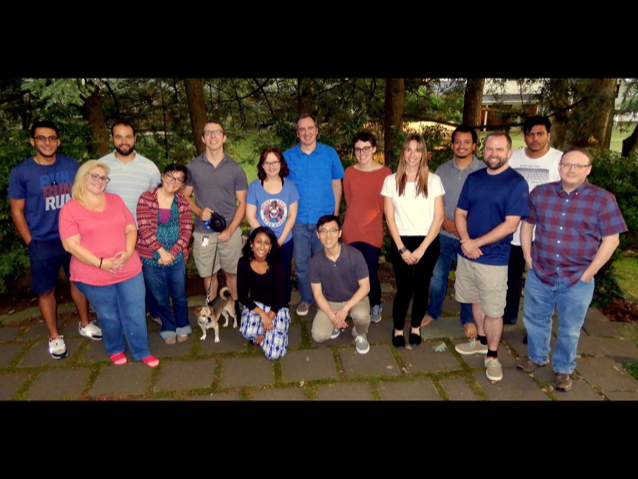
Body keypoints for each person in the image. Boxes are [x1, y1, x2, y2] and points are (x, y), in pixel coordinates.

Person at [516, 148, 626, 392]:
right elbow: (527, 224)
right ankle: (536, 356)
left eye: (578, 165)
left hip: (577, 278)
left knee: (570, 328)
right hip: (541, 272)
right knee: (534, 320)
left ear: (588, 170)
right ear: (560, 166)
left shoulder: (602, 199)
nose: (571, 169)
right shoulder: (541, 193)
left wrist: (590, 272)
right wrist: (527, 256)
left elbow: (612, 240)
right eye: (567, 164)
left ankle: (564, 368)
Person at [9, 120, 102, 360]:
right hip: (42, 240)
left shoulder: (71, 165)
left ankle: (84, 323)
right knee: (45, 289)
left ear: (58, 142)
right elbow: (17, 211)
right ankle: (54, 336)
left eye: (51, 138)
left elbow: (84, 195)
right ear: (33, 141)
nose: (47, 143)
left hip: (74, 236)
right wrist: (31, 241)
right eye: (41, 138)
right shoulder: (21, 172)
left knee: (79, 281)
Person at [59, 160, 159, 367]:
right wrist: (101, 263)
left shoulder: (115, 200)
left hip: (128, 268)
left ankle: (141, 350)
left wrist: (129, 251)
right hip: (93, 273)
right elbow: (71, 245)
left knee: (135, 310)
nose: (100, 181)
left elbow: (131, 229)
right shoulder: (70, 209)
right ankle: (114, 348)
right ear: (83, 177)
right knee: (108, 314)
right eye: (94, 176)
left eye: (104, 178)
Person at [453, 132, 529, 382]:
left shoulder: (516, 183)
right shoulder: (474, 179)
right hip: (468, 255)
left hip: (494, 259)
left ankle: (493, 356)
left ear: (509, 152)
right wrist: (466, 241)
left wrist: (476, 243)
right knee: (475, 301)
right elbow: (460, 212)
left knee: (494, 311)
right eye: (489, 149)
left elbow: (510, 225)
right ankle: (482, 342)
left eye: (499, 149)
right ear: (483, 151)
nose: (493, 153)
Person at [381, 134, 444, 348]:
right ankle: (398, 328)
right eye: (408, 149)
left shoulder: (434, 181)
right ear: (403, 153)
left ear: (423, 153)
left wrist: (422, 249)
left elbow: (439, 218)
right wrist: (402, 248)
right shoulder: (390, 181)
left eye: (417, 150)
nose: (412, 154)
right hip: (402, 241)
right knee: (404, 288)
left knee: (422, 286)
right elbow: (389, 217)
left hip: (428, 241)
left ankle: (415, 326)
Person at [422, 126, 485, 337]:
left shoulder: (483, 171)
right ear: (452, 145)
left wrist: (463, 231)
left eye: (467, 142)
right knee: (437, 277)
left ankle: (467, 319)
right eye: (458, 142)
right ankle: (433, 311)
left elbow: (484, 207)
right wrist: (445, 223)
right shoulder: (442, 170)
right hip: (443, 233)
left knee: (466, 279)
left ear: (474, 146)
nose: (462, 146)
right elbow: (434, 201)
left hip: (469, 238)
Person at [99, 119, 163, 325]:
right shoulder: (101, 166)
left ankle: (155, 312)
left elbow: (159, 199)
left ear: (135, 138)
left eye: (128, 136)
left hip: (144, 232)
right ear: (112, 139)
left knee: (149, 276)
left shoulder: (149, 168)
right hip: (113, 235)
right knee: (120, 275)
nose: (124, 141)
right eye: (118, 136)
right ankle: (126, 317)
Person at [183, 120, 248, 319]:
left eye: (217, 132)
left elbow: (243, 204)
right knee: (209, 276)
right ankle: (212, 312)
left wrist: (231, 229)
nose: (213, 136)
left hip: (230, 231)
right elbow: (183, 197)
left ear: (224, 137)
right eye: (208, 133)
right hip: (204, 232)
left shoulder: (235, 169)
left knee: (232, 274)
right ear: (203, 138)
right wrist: (198, 210)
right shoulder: (193, 167)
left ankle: (236, 311)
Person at [284, 114, 344, 317]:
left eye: (310, 128)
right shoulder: (288, 156)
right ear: (297, 133)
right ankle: (307, 299)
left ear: (317, 130)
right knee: (301, 264)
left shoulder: (329, 154)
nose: (306, 133)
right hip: (298, 220)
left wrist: (335, 215)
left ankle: (326, 299)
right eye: (302, 129)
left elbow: (337, 184)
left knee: (326, 262)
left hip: (324, 221)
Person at [505, 115, 562, 325]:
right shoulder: (513, 158)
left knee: (541, 283)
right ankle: (508, 316)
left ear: (549, 135)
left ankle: (537, 326)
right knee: (511, 278)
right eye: (530, 134)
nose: (534, 139)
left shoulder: (560, 160)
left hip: (545, 234)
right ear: (524, 135)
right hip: (513, 232)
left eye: (540, 134)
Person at [136, 164, 193, 344]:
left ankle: (183, 324)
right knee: (159, 296)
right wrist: (161, 251)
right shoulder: (146, 198)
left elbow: (186, 230)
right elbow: (144, 229)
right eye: (170, 176)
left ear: (183, 184)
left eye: (179, 179)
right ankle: (168, 326)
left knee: (179, 294)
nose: (173, 182)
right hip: (150, 257)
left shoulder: (183, 202)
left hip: (176, 259)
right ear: (162, 176)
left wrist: (172, 253)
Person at [342, 131, 391, 323]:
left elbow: (387, 204)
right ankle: (354, 305)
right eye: (357, 149)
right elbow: (349, 199)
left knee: (370, 270)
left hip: (373, 230)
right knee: (351, 271)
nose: (362, 153)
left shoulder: (385, 173)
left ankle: (375, 302)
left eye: (366, 148)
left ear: (374, 149)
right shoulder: (349, 172)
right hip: (351, 228)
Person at [309, 215, 371, 355]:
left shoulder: (354, 255)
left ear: (339, 233)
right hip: (331, 301)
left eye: (332, 230)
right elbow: (317, 294)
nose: (328, 235)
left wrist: (345, 309)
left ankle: (360, 333)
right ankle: (335, 325)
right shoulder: (315, 262)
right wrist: (332, 316)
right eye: (323, 231)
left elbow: (365, 287)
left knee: (361, 315)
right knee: (318, 335)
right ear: (318, 235)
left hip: (355, 298)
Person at [246, 147, 299, 303]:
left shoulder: (290, 186)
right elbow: (250, 215)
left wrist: (279, 241)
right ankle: (261, 306)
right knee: (261, 274)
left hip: (284, 240)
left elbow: (292, 215)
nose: (271, 166)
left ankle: (282, 306)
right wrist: (265, 241)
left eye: (274, 162)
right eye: (267, 162)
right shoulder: (255, 186)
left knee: (282, 274)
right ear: (262, 165)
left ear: (281, 164)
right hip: (260, 242)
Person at [238, 227, 291, 360]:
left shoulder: (277, 265)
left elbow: (280, 297)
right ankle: (263, 333)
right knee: (247, 331)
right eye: (258, 242)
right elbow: (243, 296)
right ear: (251, 244)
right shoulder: (243, 263)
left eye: (266, 243)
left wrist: (269, 319)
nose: (262, 246)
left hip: (277, 307)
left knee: (273, 354)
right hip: (257, 305)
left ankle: (268, 334)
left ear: (271, 246)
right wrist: (262, 315)